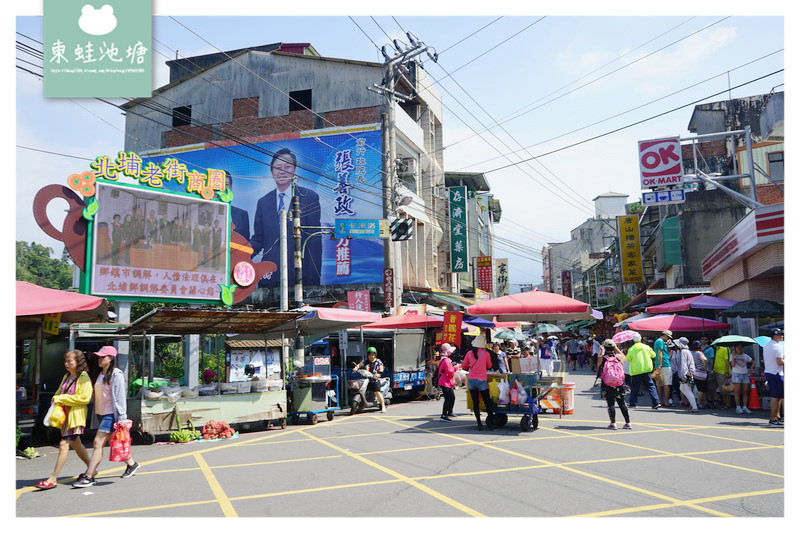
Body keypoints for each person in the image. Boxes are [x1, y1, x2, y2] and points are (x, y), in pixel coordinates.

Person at [251, 148, 322, 288]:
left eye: (287, 167)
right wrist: (241, 255)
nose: (282, 171)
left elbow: (314, 241)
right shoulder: (263, 202)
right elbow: (259, 239)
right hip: (269, 274)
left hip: (299, 276)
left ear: (294, 169)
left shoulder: (309, 197)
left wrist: (313, 281)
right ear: (272, 171)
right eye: (278, 167)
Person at [73, 346, 139, 487]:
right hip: (100, 414)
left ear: (111, 358)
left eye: (103, 356)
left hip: (111, 414)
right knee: (113, 442)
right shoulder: (101, 374)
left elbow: (120, 397)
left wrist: (122, 418)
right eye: (99, 356)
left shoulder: (117, 374)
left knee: (97, 443)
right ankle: (132, 464)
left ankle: (89, 475)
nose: (100, 358)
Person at [35, 350, 93, 490]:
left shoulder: (83, 377)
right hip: (65, 417)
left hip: (74, 417)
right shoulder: (67, 376)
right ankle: (92, 468)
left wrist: (61, 399)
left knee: (63, 445)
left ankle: (53, 478)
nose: (66, 364)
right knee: (76, 445)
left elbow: (85, 398)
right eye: (65, 361)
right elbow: (59, 393)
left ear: (78, 362)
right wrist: (56, 399)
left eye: (70, 361)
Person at [461, 336, 497, 431]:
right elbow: (489, 365)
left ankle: (479, 424)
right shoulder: (486, 354)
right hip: (482, 380)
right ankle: (490, 424)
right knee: (487, 402)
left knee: (475, 403)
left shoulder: (469, 353)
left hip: (472, 380)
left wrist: (470, 365)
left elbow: (463, 365)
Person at [596, 339, 631, 430]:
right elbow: (624, 357)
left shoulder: (603, 358)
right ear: (613, 347)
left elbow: (598, 364)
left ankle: (613, 423)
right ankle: (627, 423)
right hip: (619, 384)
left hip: (607, 384)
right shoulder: (618, 357)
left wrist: (601, 351)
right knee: (622, 402)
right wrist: (616, 348)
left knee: (610, 403)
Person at [625, 332, 660, 409]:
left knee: (634, 387)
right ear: (640, 339)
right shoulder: (646, 347)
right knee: (651, 386)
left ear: (633, 340)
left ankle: (633, 403)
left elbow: (627, 359)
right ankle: (656, 402)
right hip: (646, 369)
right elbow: (653, 355)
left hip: (636, 371)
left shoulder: (631, 349)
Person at [352, 347, 386, 413]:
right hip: (366, 379)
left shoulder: (378, 361)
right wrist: (356, 368)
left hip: (375, 379)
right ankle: (361, 405)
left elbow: (381, 368)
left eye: (373, 354)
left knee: (377, 392)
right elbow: (359, 365)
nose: (371, 356)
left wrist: (378, 374)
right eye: (370, 354)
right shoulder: (366, 361)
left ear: (375, 355)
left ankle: (383, 406)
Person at [762, 329, 784, 426]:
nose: (782, 336)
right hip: (776, 373)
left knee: (777, 396)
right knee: (776, 396)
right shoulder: (777, 346)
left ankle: (777, 416)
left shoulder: (767, 345)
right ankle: (773, 418)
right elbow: (780, 362)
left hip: (769, 371)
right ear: (775, 336)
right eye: (780, 335)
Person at [673, 337, 699, 412]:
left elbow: (683, 365)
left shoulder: (683, 352)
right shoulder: (686, 351)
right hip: (688, 372)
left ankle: (694, 407)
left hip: (685, 373)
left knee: (687, 390)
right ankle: (693, 406)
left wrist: (682, 376)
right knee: (683, 389)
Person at [225, 171, 251, 242]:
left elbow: (246, 242)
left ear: (231, 187)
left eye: (226, 184)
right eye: (219, 185)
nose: (223, 188)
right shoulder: (205, 212)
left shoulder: (242, 214)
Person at [729, 343, 753, 414]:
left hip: (745, 374)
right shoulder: (732, 355)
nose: (739, 348)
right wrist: (733, 356)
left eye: (741, 347)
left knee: (745, 391)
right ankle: (738, 407)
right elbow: (732, 365)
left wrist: (750, 368)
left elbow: (752, 362)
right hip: (736, 374)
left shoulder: (745, 355)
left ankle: (745, 407)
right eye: (738, 347)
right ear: (735, 348)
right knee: (737, 391)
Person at [437, 343, 457, 421]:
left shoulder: (444, 359)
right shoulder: (446, 360)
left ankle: (449, 412)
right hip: (444, 382)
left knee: (451, 397)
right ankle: (444, 415)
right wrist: (456, 367)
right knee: (448, 398)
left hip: (446, 381)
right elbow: (449, 371)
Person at [653, 330, 673, 407]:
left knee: (659, 384)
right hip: (664, 364)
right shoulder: (660, 342)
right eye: (668, 337)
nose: (668, 339)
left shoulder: (658, 341)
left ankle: (660, 400)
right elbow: (660, 353)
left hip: (659, 364)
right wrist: (660, 364)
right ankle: (666, 401)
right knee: (667, 383)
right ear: (665, 335)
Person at [710, 340, 731, 409]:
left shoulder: (724, 349)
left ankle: (727, 404)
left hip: (722, 372)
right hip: (716, 371)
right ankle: (718, 402)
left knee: (724, 389)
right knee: (715, 388)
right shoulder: (717, 349)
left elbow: (726, 360)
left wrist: (726, 371)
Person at [690, 340, 710, 408]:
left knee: (699, 389)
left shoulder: (692, 353)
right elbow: (705, 359)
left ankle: (705, 402)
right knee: (702, 390)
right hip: (701, 373)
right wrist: (704, 366)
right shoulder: (699, 353)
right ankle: (698, 403)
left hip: (695, 373)